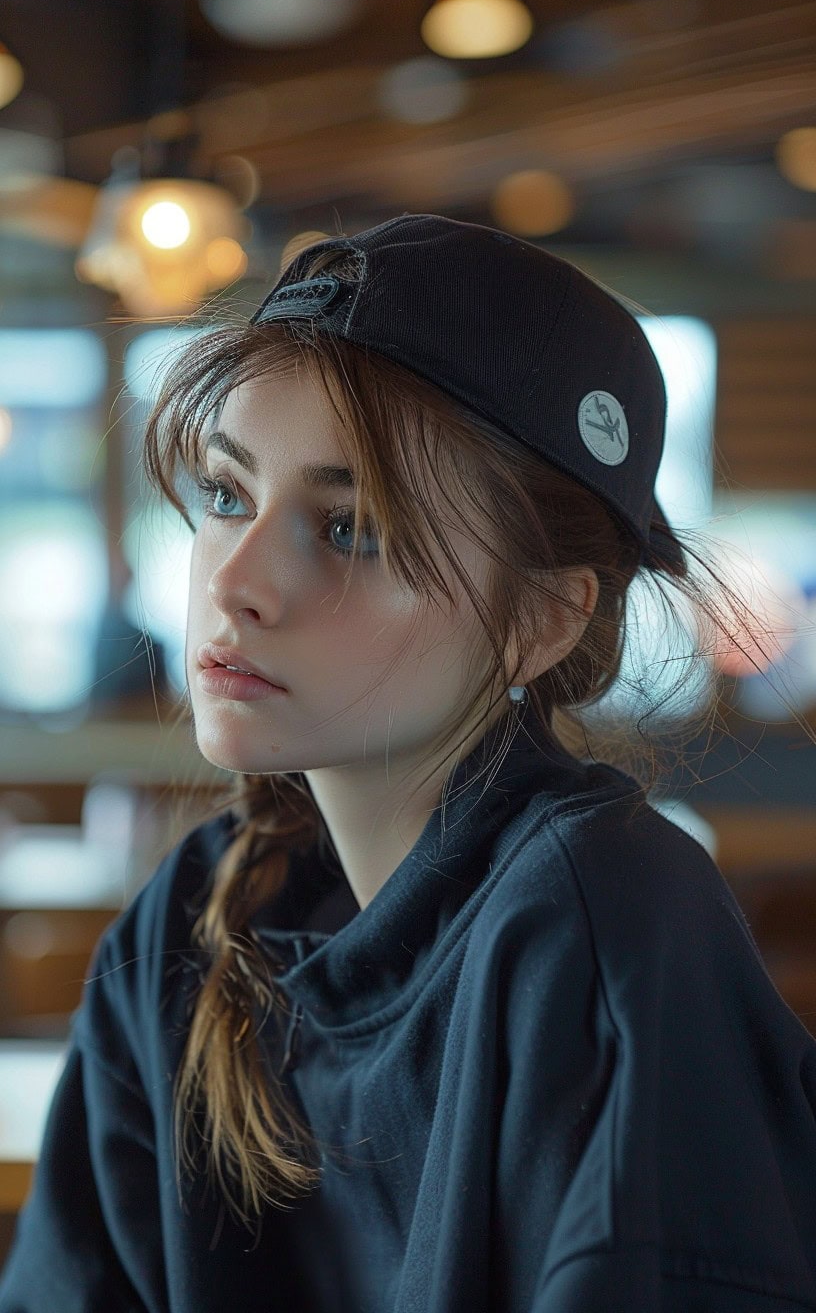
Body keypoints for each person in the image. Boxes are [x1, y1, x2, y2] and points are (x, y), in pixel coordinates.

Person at [1, 213, 814, 1311]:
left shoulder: (602, 920)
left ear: (540, 620)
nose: (235, 580)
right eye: (229, 494)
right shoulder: (186, 928)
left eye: (352, 529)